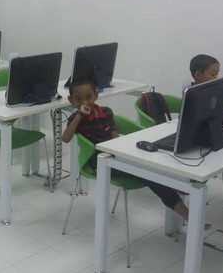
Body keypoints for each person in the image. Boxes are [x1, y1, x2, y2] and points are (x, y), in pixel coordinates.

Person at [62, 78, 190, 223]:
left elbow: (114, 131)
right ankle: (185, 212)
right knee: (151, 176)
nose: (84, 102)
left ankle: (181, 202)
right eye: (78, 99)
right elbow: (66, 138)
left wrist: (117, 147)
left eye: (89, 97)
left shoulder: (106, 112)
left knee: (153, 167)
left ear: (96, 95)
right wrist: (79, 116)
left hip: (115, 154)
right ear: (71, 100)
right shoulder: (75, 118)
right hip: (98, 161)